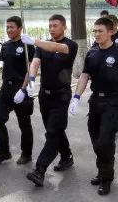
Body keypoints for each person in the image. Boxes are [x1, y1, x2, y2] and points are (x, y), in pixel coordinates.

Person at [68, 17, 118, 194]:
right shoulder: (92, 53)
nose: (97, 34)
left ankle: (106, 178)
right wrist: (76, 97)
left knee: (106, 141)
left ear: (111, 31)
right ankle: (102, 170)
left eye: (100, 31)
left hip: (113, 102)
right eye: (95, 31)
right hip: (95, 102)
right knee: (96, 140)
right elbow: (84, 76)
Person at [25, 14, 78, 185]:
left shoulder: (70, 45)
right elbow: (34, 63)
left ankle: (40, 170)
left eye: (55, 25)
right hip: (44, 96)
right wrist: (32, 79)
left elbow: (59, 48)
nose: (52, 28)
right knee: (54, 130)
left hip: (61, 96)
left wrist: (35, 41)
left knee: (53, 132)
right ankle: (66, 156)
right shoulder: (43, 46)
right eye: (50, 26)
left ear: (64, 27)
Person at [0, 16, 35, 165]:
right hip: (6, 90)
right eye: (7, 27)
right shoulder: (6, 45)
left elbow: (31, 70)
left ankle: (26, 154)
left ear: (20, 28)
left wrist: (23, 89)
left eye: (12, 27)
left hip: (22, 89)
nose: (9, 30)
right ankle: (4, 152)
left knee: (24, 124)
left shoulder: (27, 45)